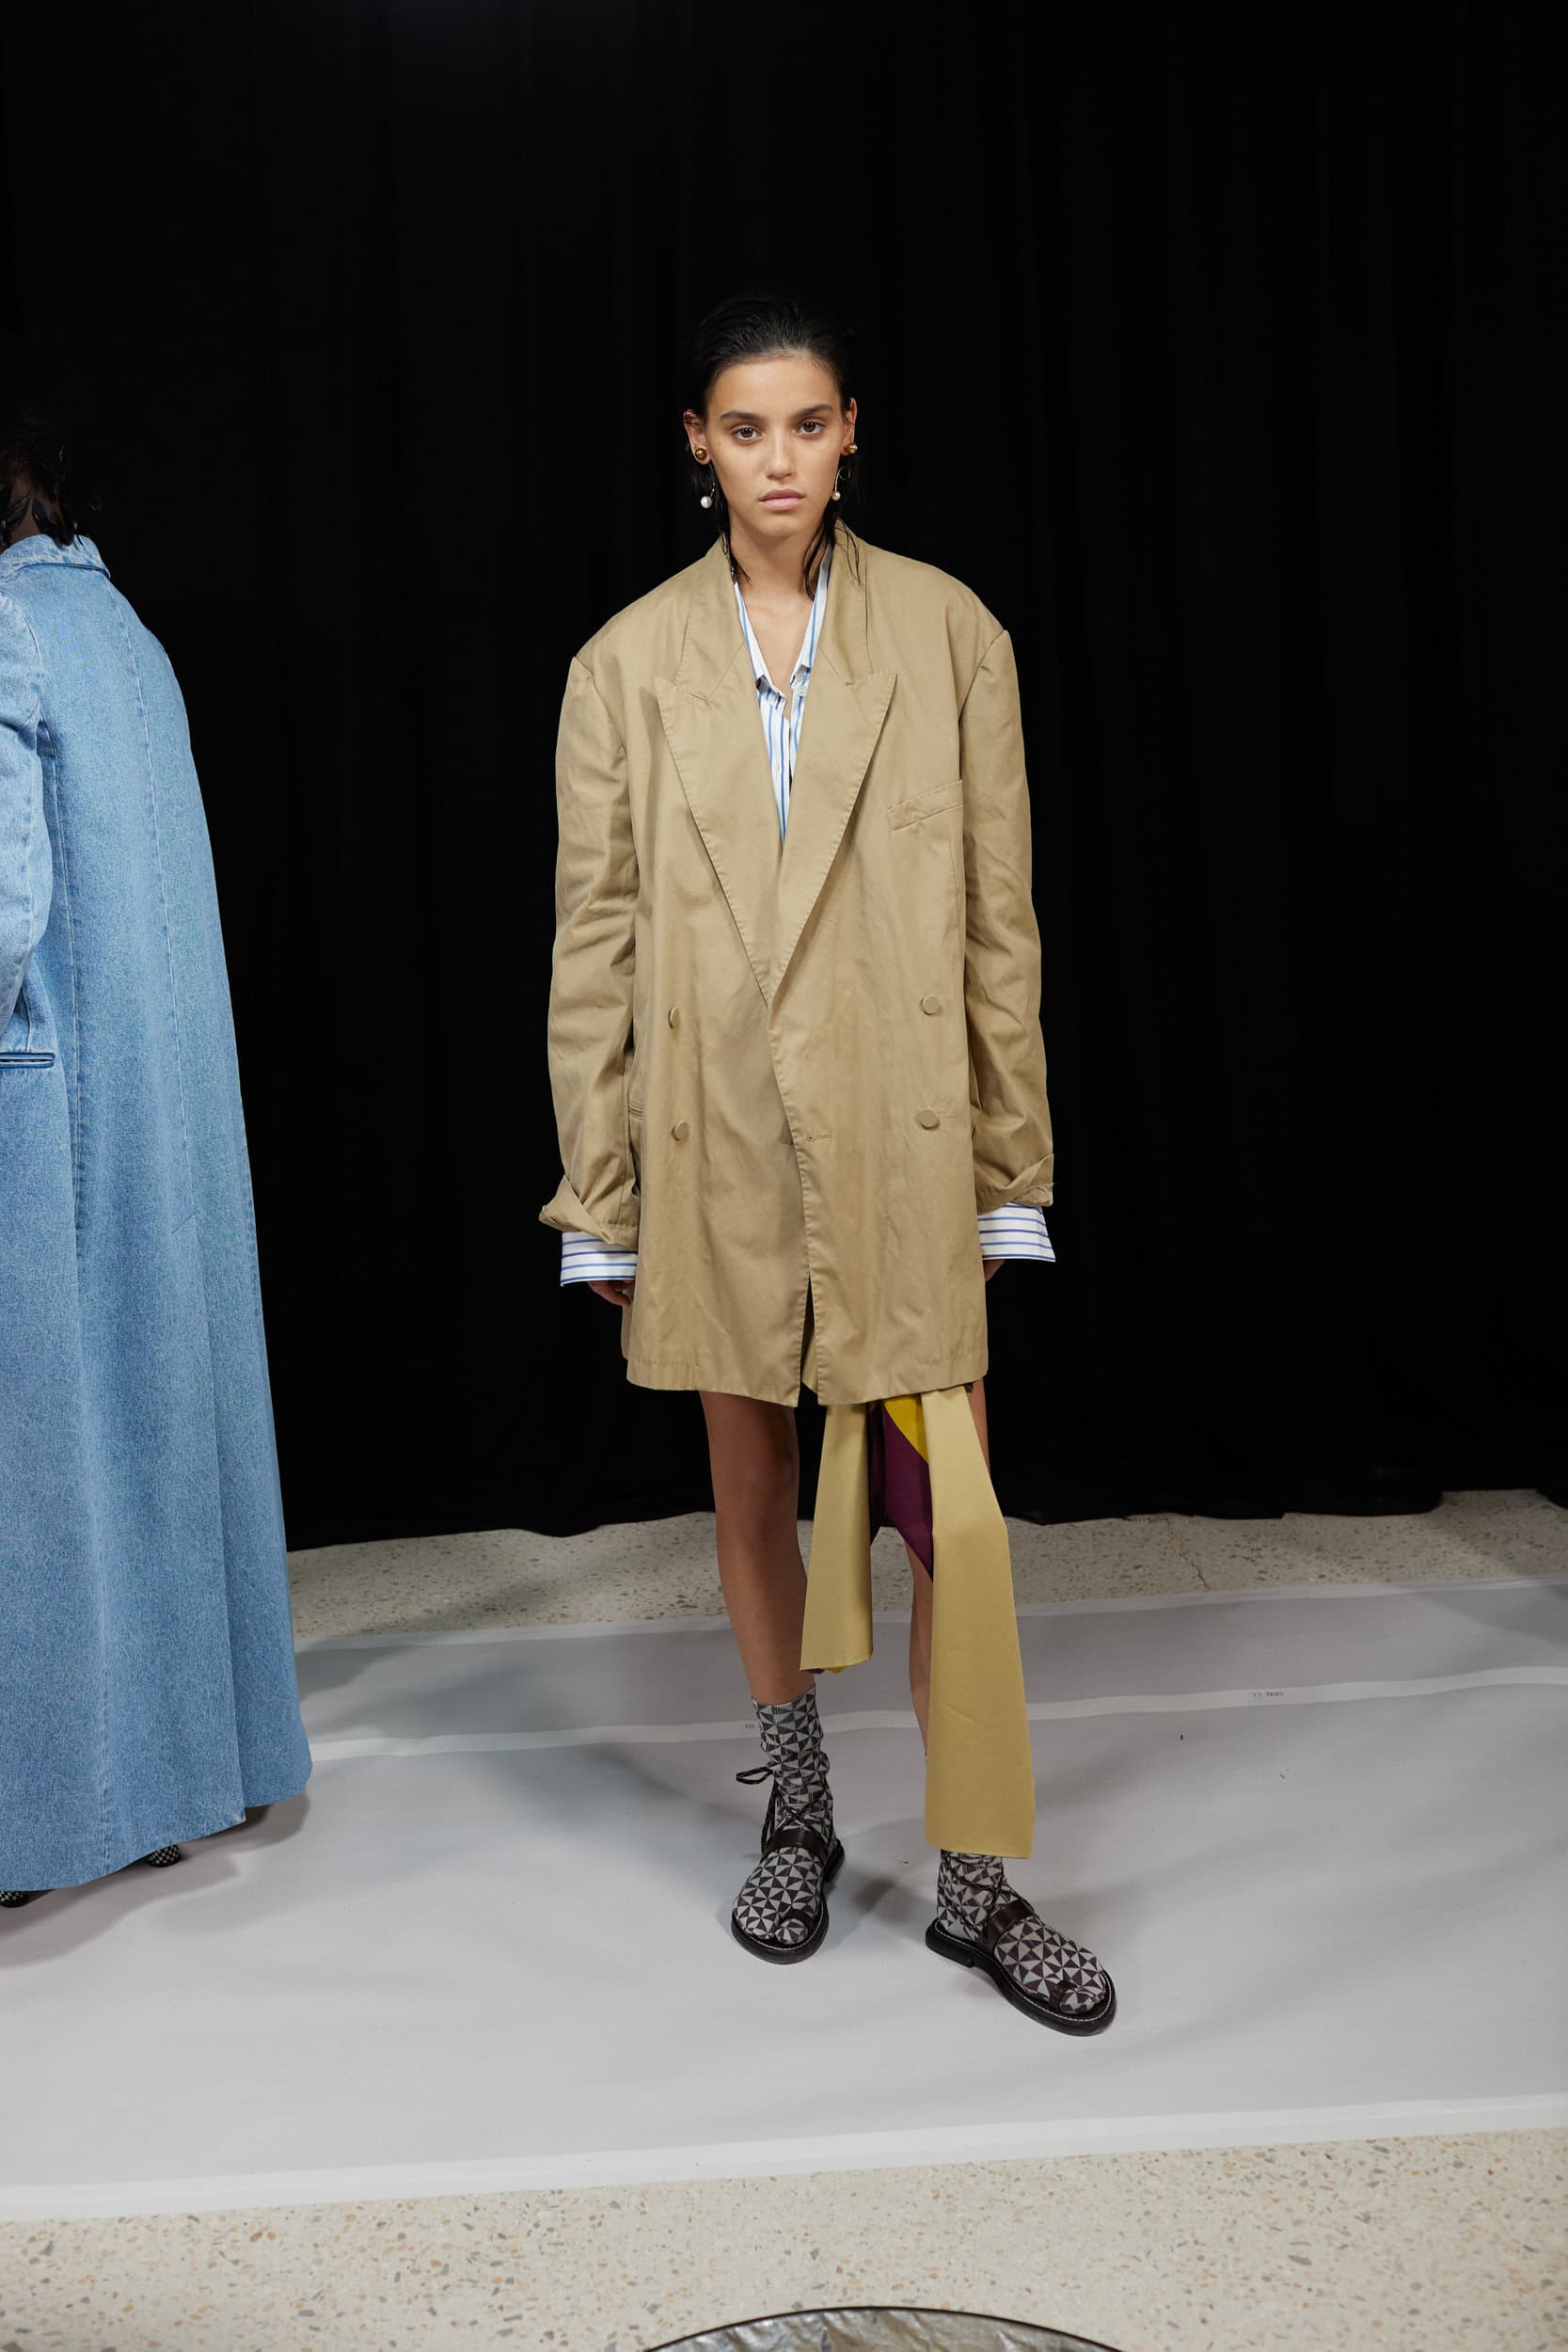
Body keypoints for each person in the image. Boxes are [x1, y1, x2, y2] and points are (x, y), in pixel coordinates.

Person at [541, 291, 1114, 2033]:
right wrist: (598, 1196)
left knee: (955, 1520)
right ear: (696, 446)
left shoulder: (949, 634)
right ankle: (798, 1810)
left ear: (853, 430)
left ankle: (977, 1878)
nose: (778, 460)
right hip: (713, 1125)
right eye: (745, 428)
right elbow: (594, 945)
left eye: (807, 424)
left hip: (904, 1132)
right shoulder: (624, 664)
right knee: (750, 1478)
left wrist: (1012, 1167)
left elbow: (1001, 925)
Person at [0, 405, 310, 1910]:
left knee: (53, 1461)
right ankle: (190, 1767)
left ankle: (50, 1817)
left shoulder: (7, 633)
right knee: (167, 1427)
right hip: (164, 1092)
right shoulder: (122, 630)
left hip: (50, 1100)